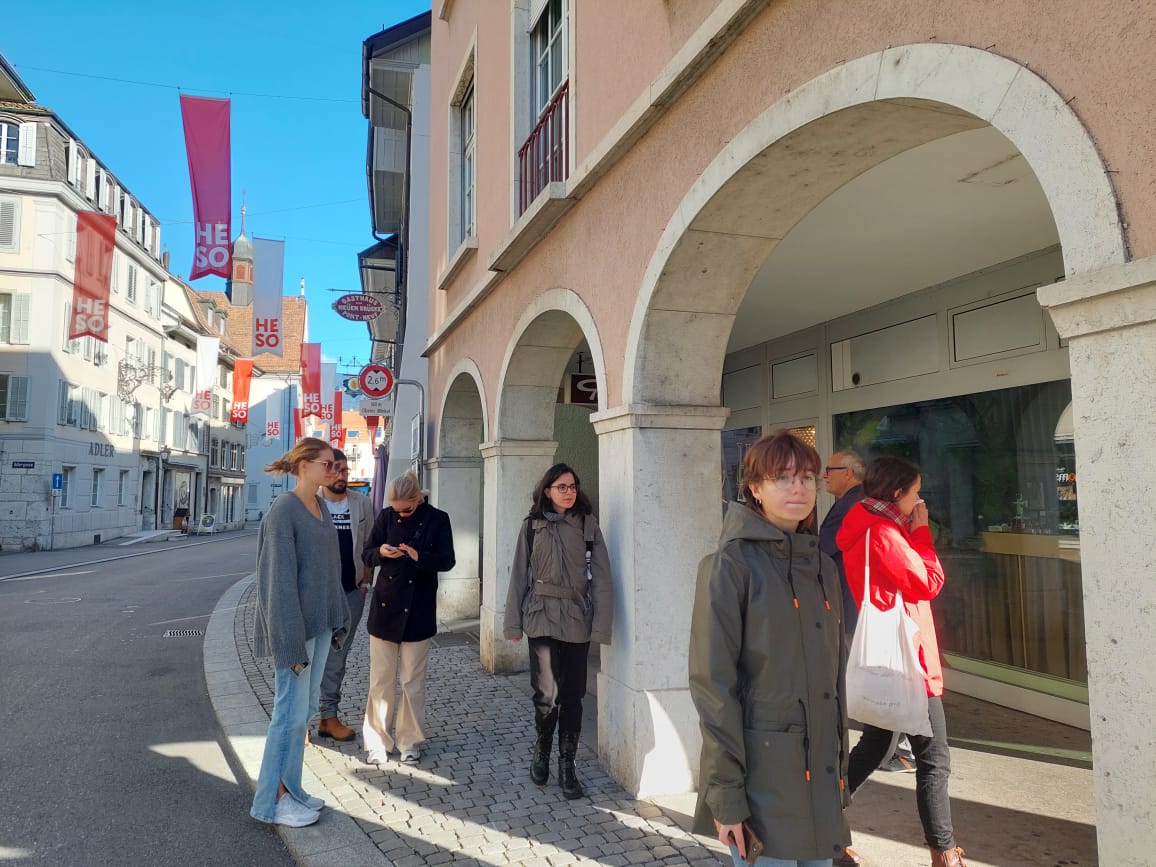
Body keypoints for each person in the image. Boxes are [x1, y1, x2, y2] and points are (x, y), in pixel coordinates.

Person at [689, 430, 849, 867]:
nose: (799, 488)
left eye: (807, 478)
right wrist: (726, 796)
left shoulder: (822, 566)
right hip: (762, 780)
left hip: (819, 775)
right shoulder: (729, 566)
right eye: (783, 478)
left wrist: (839, 774)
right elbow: (713, 686)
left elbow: (832, 680)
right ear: (755, 489)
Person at [835, 457, 967, 867]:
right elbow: (927, 582)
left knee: (876, 745)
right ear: (897, 493)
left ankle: (823, 825)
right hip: (908, 659)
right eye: (915, 492)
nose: (919, 501)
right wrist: (922, 532)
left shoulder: (863, 522)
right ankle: (944, 853)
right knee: (934, 759)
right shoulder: (883, 531)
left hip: (887, 654)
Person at [249, 438, 351, 828]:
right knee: (287, 715)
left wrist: (338, 617)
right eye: (328, 464)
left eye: (335, 465)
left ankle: (291, 787)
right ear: (305, 465)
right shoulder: (284, 510)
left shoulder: (321, 506)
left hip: (320, 627)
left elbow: (328, 571)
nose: (334, 470)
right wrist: (289, 644)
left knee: (303, 713)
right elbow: (276, 583)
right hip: (296, 632)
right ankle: (272, 801)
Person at [503, 463, 613, 800]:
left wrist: (601, 625)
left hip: (576, 618)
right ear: (547, 491)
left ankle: (567, 766)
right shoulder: (531, 526)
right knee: (546, 694)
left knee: (573, 695)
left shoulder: (588, 526)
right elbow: (518, 574)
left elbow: (603, 579)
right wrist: (513, 623)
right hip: (540, 616)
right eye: (561, 487)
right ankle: (543, 746)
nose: (569, 492)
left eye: (573, 486)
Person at [361, 472, 455, 765]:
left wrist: (419, 557)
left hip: (419, 610)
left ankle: (410, 741)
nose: (401, 513)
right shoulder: (386, 517)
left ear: (418, 498)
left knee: (412, 682)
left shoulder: (438, 519)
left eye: (407, 509)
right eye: (397, 509)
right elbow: (367, 554)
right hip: (385, 609)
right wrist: (381, 552)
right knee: (380, 681)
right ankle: (377, 742)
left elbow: (448, 560)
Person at [315, 449, 375, 741]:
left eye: (344, 470)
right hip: (316, 594)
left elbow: (370, 543)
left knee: (337, 657)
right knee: (309, 655)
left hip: (351, 592)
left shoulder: (361, 503)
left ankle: (328, 717)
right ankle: (300, 720)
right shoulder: (310, 503)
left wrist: (365, 581)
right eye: (335, 469)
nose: (341, 475)